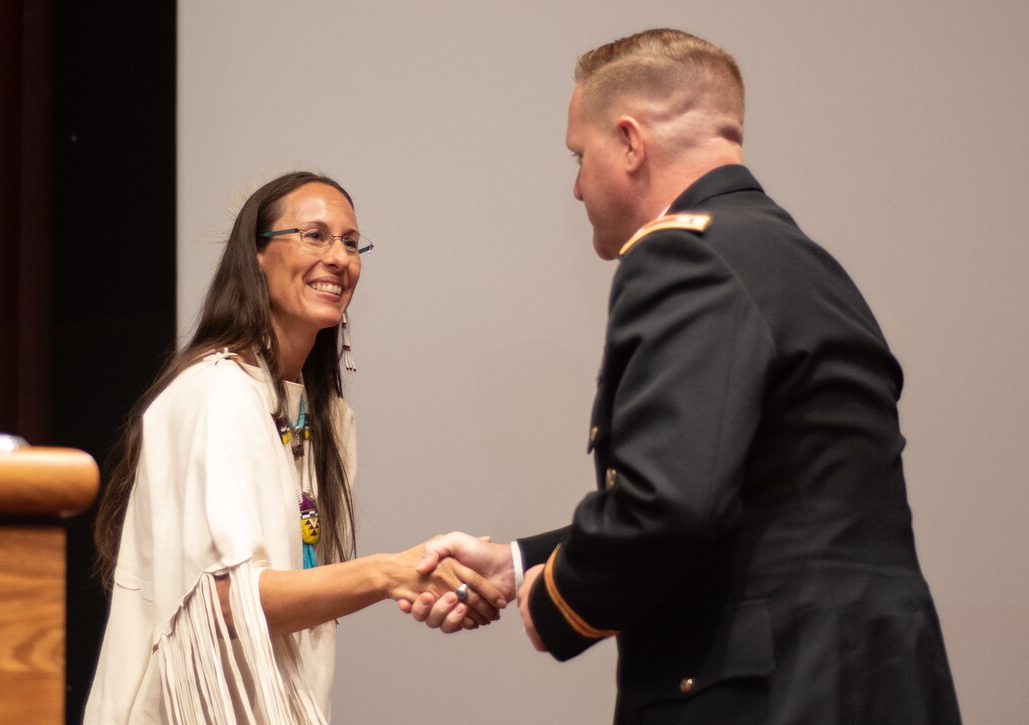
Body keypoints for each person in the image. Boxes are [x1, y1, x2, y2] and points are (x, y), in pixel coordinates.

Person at [407, 29, 961, 724]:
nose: (577, 186)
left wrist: (555, 602)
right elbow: (764, 510)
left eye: (582, 156)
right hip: (871, 678)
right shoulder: (801, 264)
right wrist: (518, 563)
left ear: (632, 143)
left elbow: (671, 506)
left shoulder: (682, 258)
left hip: (763, 693)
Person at [84, 171, 504, 724]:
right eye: (315, 235)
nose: (339, 258)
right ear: (256, 254)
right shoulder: (215, 392)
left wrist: (416, 576)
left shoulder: (327, 418)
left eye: (351, 243)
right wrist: (386, 573)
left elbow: (300, 595)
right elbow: (228, 602)